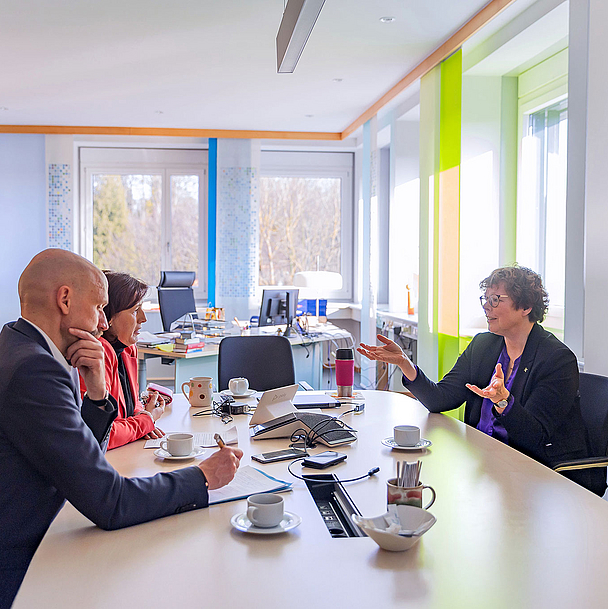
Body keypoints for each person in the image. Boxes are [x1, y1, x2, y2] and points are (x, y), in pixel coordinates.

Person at [0, 249, 243, 607]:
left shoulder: (21, 345)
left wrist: (98, 395)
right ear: (65, 299)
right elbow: (111, 502)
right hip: (26, 565)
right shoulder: (35, 371)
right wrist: (203, 477)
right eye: (99, 306)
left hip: (49, 534)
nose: (103, 323)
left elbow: (78, 458)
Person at [358, 265, 606, 496]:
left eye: (496, 299)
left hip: (538, 473)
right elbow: (440, 398)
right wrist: (405, 363)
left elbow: (534, 437)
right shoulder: (483, 345)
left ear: (526, 306)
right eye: (485, 300)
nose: (487, 307)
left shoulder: (556, 359)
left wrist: (504, 402)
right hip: (486, 461)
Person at [79, 271, 165, 449]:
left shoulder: (127, 348)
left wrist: (142, 414)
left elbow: (130, 408)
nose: (144, 318)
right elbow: (104, 434)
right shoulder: (94, 354)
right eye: (135, 311)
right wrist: (145, 421)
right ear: (109, 316)